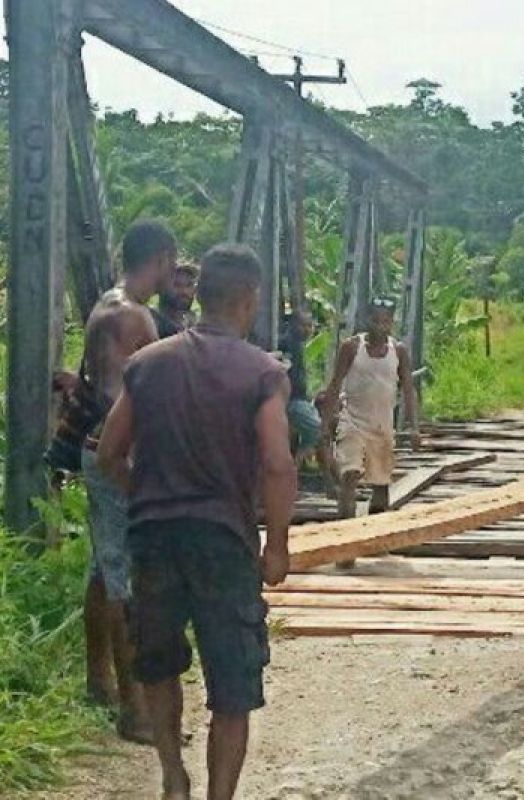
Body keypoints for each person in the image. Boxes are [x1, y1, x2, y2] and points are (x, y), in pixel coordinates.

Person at [97, 243, 297, 800]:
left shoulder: (149, 363)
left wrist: (147, 496)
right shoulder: (262, 373)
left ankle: (172, 775)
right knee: (232, 682)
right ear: (249, 298)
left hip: (155, 537)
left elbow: (109, 451)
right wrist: (276, 546)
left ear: (201, 293)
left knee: (158, 661)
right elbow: (279, 464)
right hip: (222, 539)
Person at [80, 219, 177, 742]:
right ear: (160, 259)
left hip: (95, 445)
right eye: (171, 263)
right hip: (117, 454)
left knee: (103, 567)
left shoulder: (104, 304)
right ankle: (135, 709)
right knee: (126, 580)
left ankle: (99, 681)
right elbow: (145, 395)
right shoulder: (135, 316)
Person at [320, 297, 421, 524]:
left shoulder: (399, 351)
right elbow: (335, 385)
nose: (380, 326)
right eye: (375, 320)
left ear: (391, 323)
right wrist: (325, 424)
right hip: (352, 420)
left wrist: (414, 428)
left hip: (382, 426)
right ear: (367, 320)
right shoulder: (352, 347)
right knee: (350, 474)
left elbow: (408, 390)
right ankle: (345, 533)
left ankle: (374, 532)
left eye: (385, 321)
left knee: (380, 483)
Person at [280, 307, 322, 463]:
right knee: (318, 428)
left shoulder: (297, 345)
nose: (307, 330)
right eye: (303, 325)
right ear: (292, 325)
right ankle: (296, 462)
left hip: (299, 399)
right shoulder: (286, 343)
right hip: (292, 400)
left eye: (310, 326)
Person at [156, 261, 199, 335]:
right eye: (176, 285)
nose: (184, 291)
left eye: (189, 285)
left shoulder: (195, 325)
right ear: (161, 288)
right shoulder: (150, 322)